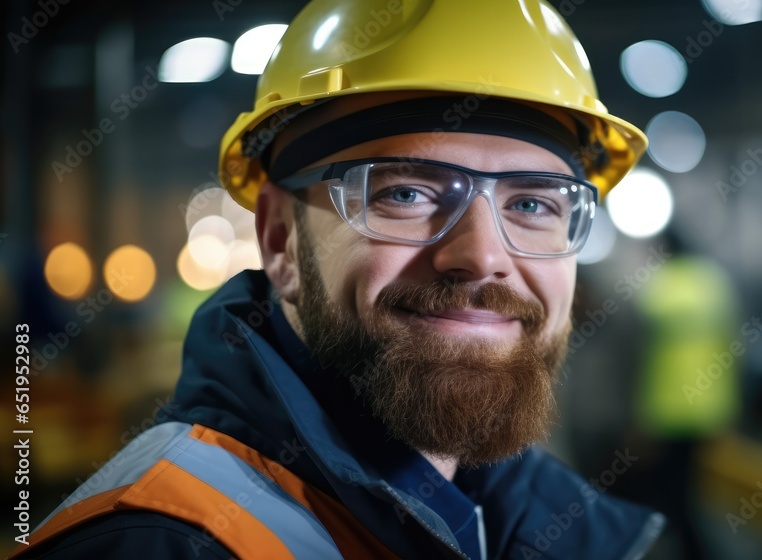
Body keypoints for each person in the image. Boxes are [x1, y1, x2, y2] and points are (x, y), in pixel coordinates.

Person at [11, 1, 664, 558]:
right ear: (279, 240)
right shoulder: (158, 543)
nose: (483, 256)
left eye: (533, 205)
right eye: (406, 194)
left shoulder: (520, 521)